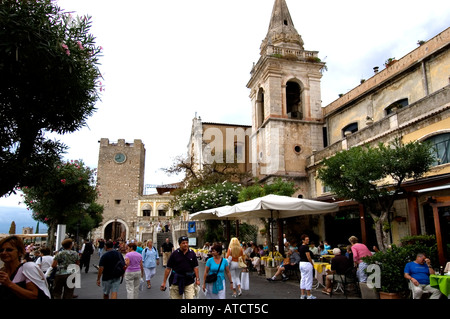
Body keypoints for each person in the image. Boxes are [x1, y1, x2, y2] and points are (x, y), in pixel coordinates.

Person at [299, 234, 316, 299]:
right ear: (303, 240)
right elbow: (308, 256)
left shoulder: (300, 247)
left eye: (308, 239)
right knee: (308, 279)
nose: (308, 241)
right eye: (306, 240)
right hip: (306, 263)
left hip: (301, 263)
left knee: (303, 278)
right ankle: (309, 294)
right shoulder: (306, 247)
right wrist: (312, 263)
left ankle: (302, 294)